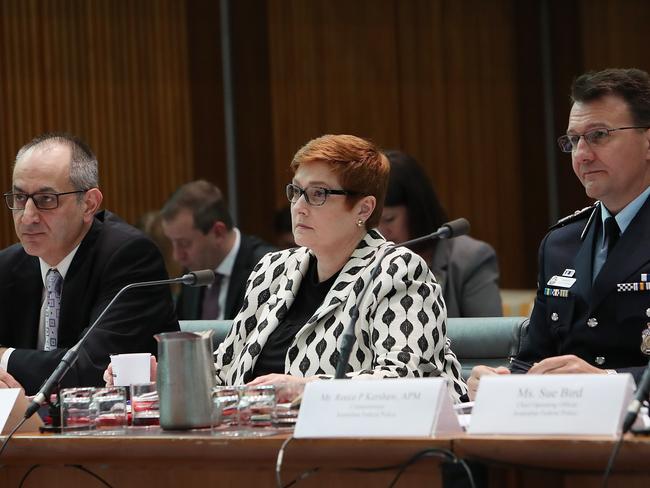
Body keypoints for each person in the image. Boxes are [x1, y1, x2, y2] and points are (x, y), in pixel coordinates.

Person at [214, 134, 467, 401]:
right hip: (259, 435)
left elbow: (406, 378)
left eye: (318, 194)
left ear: (364, 209)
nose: (299, 207)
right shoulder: (272, 269)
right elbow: (224, 369)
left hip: (365, 438)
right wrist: (174, 376)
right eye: (296, 191)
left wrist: (306, 388)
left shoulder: (397, 270)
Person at [468, 68, 650, 398]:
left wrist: (609, 381)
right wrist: (502, 379)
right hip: (569, 431)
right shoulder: (561, 243)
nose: (582, 155)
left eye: (599, 135)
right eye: (575, 140)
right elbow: (536, 358)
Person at [0, 133, 178, 395]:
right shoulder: (7, 265)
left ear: (89, 204)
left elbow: (90, 370)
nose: (27, 216)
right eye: (19, 198)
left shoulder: (129, 257)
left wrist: (4, 359)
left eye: (46, 200)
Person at [378, 150, 502, 317]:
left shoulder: (470, 259)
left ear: (417, 211)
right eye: (372, 223)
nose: (380, 232)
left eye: (389, 219)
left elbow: (489, 336)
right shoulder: (369, 262)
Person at [160, 180, 276, 320]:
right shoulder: (193, 273)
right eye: (172, 243)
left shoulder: (268, 268)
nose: (177, 256)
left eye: (184, 243)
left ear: (218, 233)